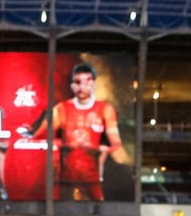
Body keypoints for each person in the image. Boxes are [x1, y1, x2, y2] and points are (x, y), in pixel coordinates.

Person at [21, 61, 127, 201]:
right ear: (72, 85)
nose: (82, 87)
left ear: (93, 83)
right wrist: (31, 133)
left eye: (87, 81)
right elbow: (40, 134)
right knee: (60, 210)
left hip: (92, 177)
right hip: (65, 177)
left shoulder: (105, 109)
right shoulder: (61, 109)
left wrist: (105, 152)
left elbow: (115, 143)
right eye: (78, 82)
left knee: (98, 209)